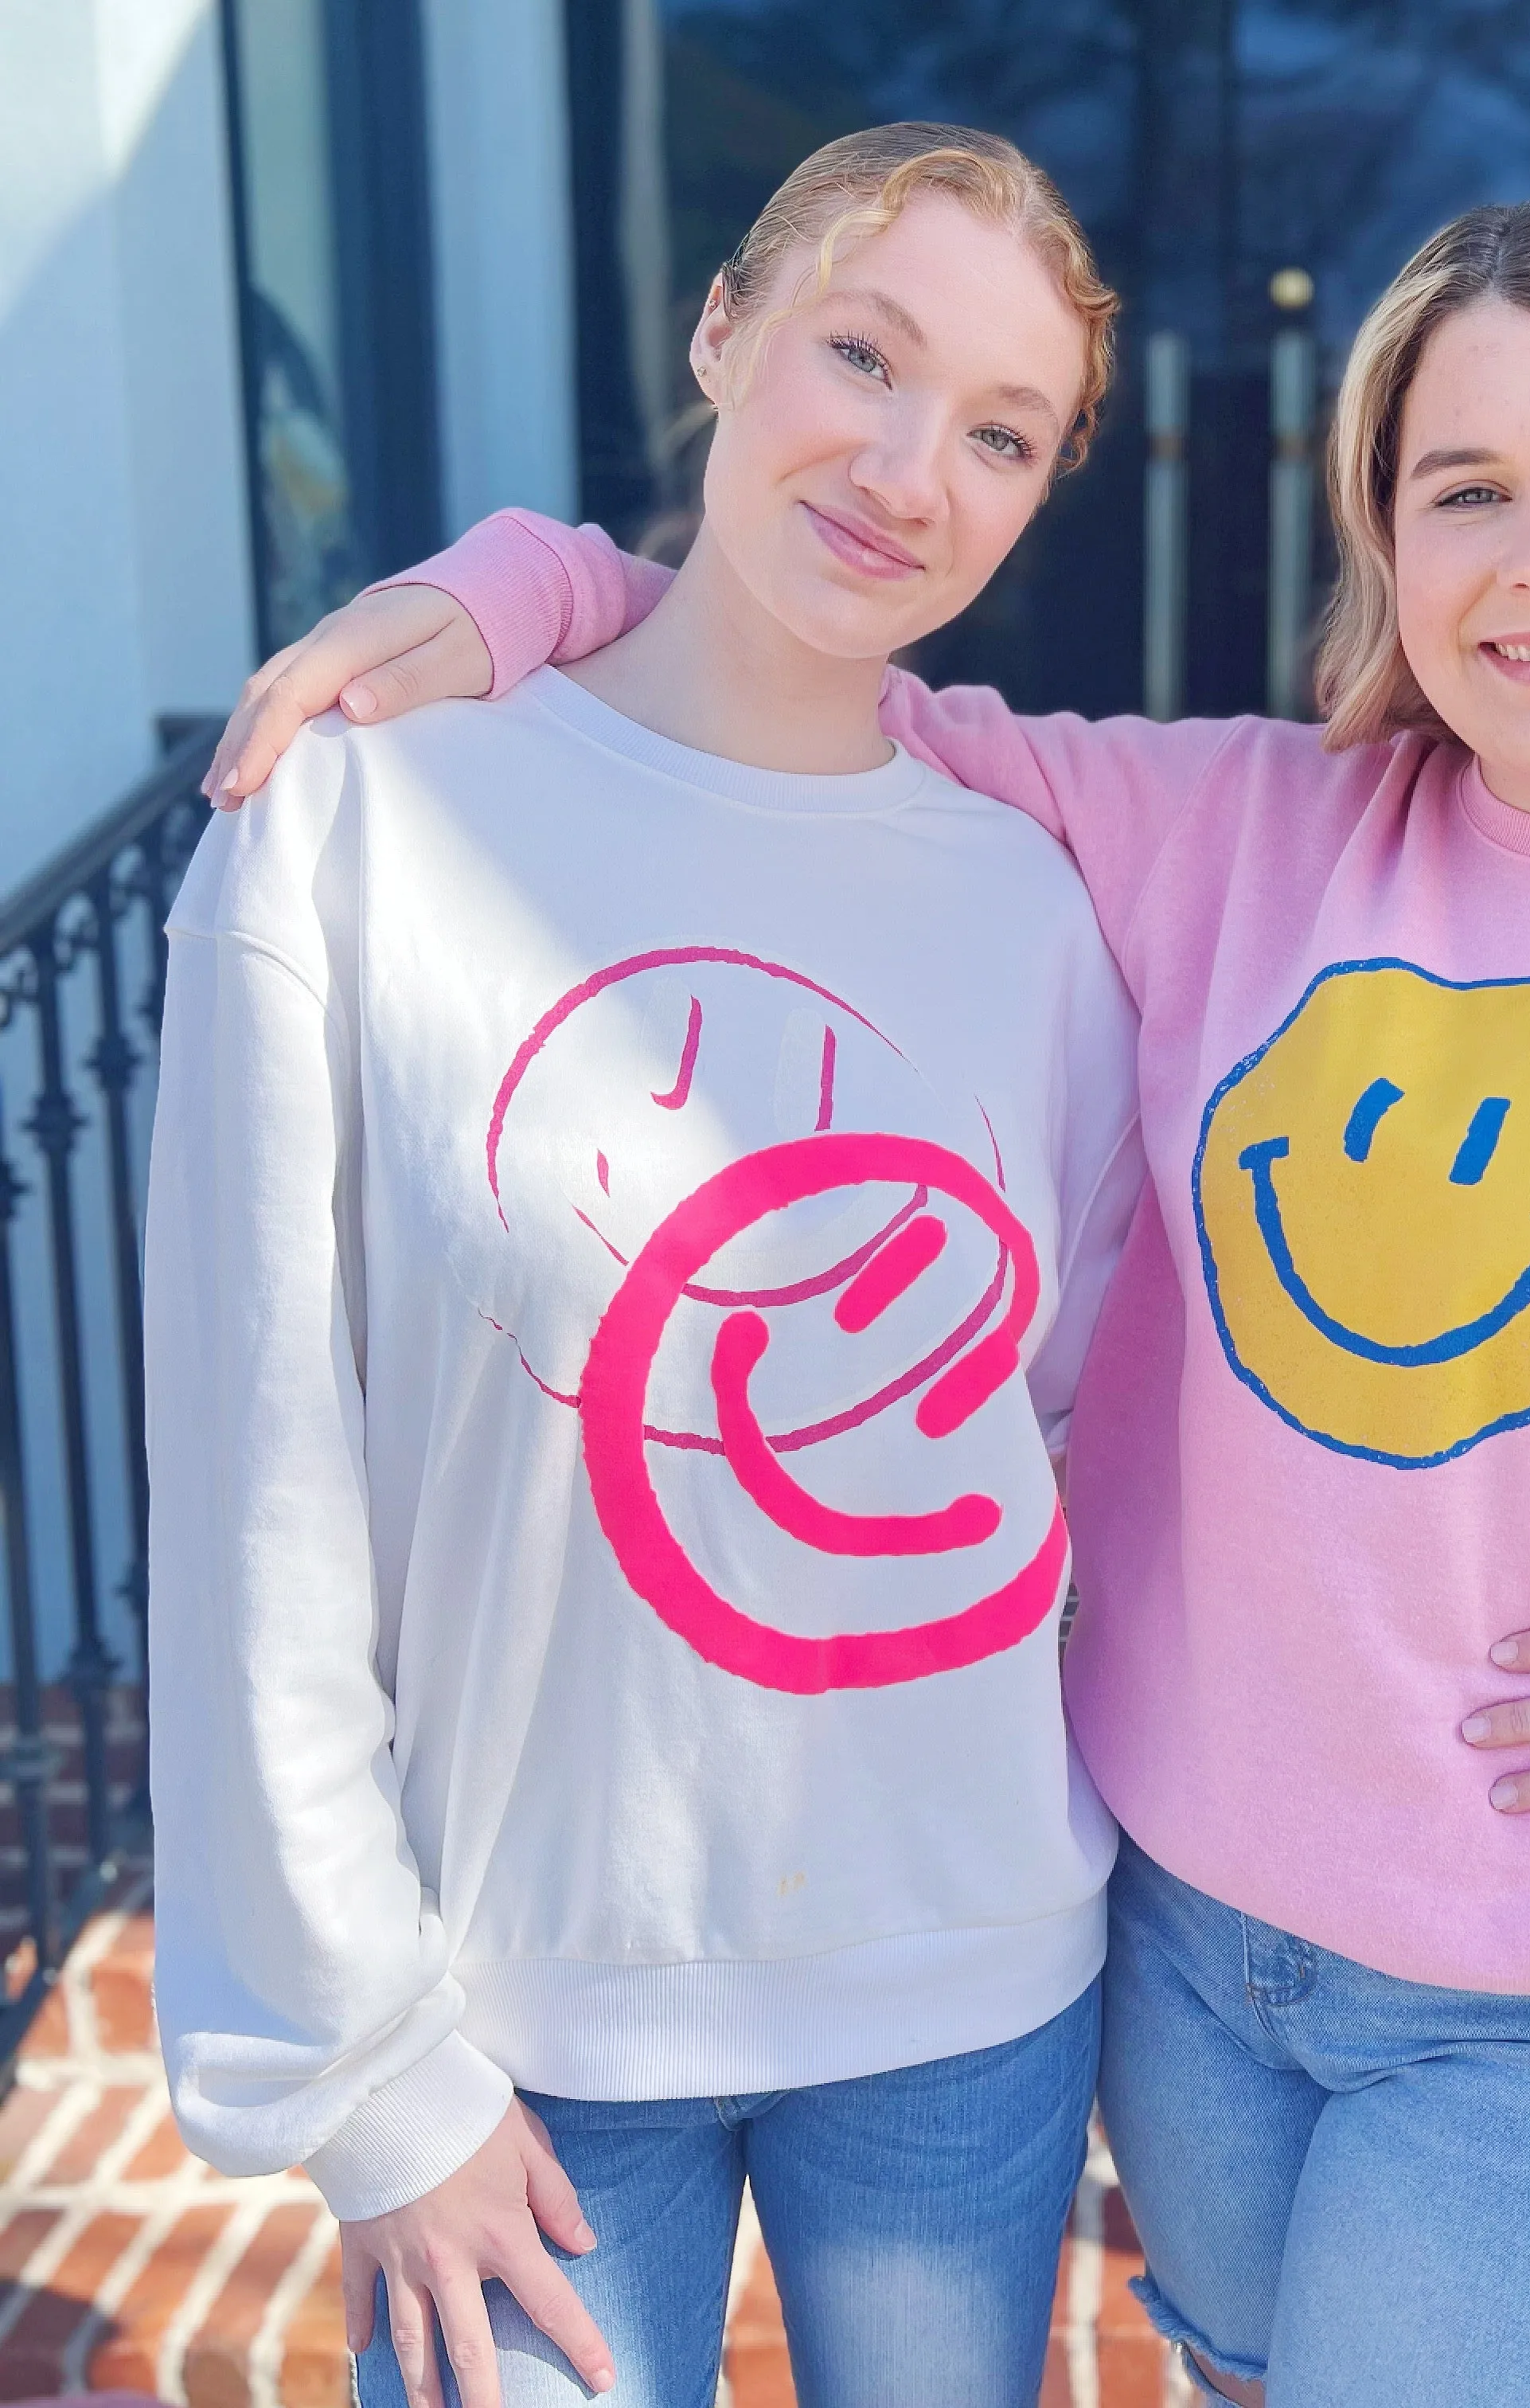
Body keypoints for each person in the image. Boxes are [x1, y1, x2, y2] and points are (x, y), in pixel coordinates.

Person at [206, 187, 1530, 2408]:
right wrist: (526, 584)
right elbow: (812, 672)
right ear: (1388, 545)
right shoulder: (1257, 830)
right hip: (1185, 1957)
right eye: (1466, 492)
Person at [148, 125, 1146, 2408]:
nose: (909, 468)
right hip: (510, 2016)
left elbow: (1070, 1427)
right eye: (861, 356)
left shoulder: (1036, 902)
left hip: (966, 1984)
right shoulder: (362, 813)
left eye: (999, 435)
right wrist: (362, 2066)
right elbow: (252, 1496)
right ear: (722, 329)